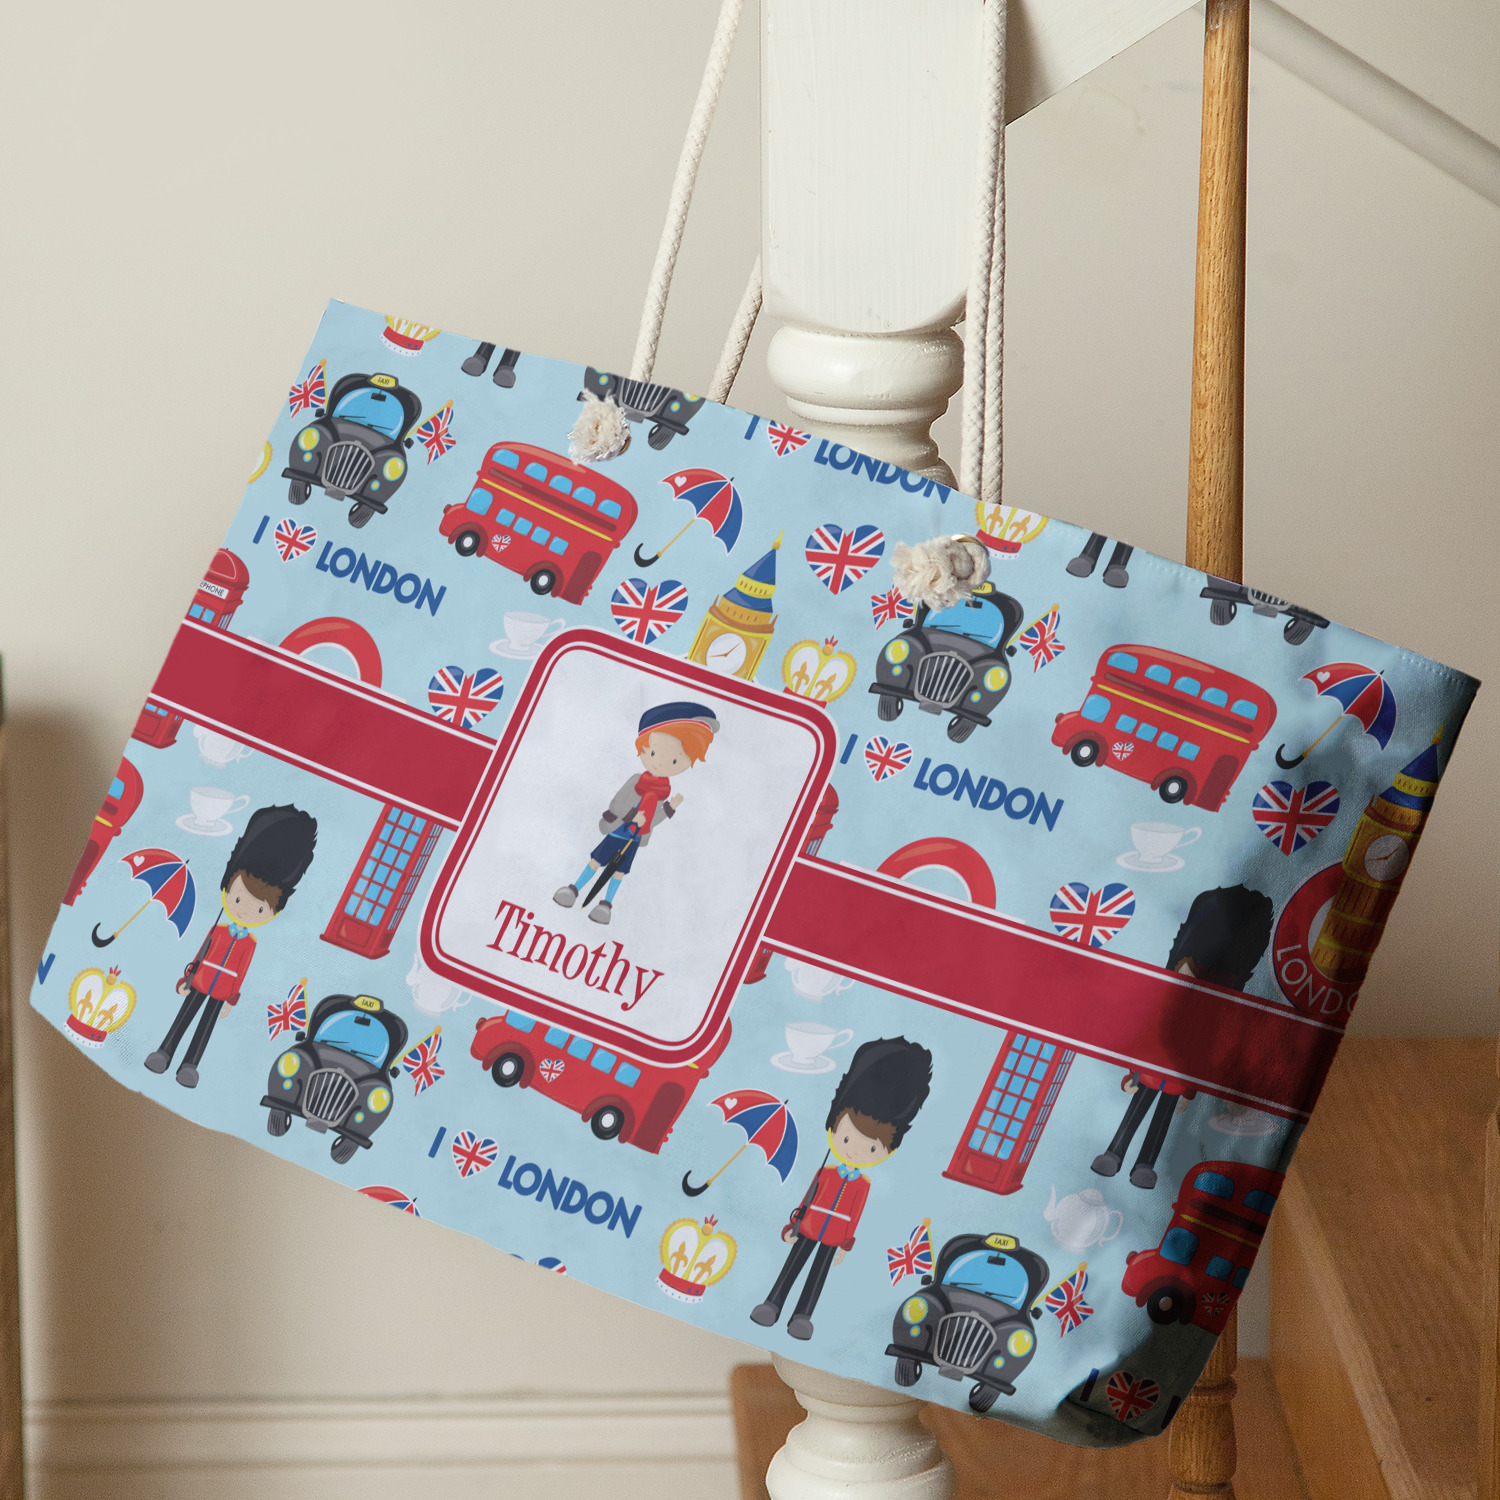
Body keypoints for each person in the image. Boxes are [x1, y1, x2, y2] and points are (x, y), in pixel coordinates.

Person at [1091, 884, 1274, 1189]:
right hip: (1154, 1069)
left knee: (1161, 1119)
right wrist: (1132, 1071)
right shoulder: (1171, 999)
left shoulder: (1211, 1014)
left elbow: (1206, 1051)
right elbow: (1147, 1032)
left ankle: (1144, 1163)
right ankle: (1116, 1151)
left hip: (1177, 1076)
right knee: (1139, 1111)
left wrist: (1189, 1090)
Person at [751, 1037, 933, 1341]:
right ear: (834, 1125)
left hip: (834, 1235)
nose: (855, 1150)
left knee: (818, 1274)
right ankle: (773, 1303)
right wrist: (791, 1225)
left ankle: (802, 1316)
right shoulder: (825, 1172)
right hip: (808, 1226)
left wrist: (845, 1246)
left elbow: (855, 1215)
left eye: (872, 1147)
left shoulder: (862, 1185)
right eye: (847, 1138)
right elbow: (806, 1200)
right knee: (793, 1265)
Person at [145, 804, 317, 1088]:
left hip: (223, 990)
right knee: (184, 1017)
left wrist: (231, 999)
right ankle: (165, 1052)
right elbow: (200, 955)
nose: (246, 909)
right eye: (238, 898)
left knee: (206, 1027)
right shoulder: (218, 930)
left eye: (260, 908)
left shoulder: (250, 943)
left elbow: (242, 972)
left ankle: (190, 1065)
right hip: (200, 981)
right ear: (227, 887)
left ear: (273, 910)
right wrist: (185, 979)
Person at [554, 701, 718, 926]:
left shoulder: (662, 793)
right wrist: (632, 816)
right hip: (618, 831)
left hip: (635, 839)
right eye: (654, 752)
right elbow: (616, 803)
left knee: (619, 872)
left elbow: (653, 820)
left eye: (674, 760)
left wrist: (670, 808)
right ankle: (574, 890)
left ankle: (605, 905)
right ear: (643, 747)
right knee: (596, 861)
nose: (660, 763)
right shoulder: (636, 781)